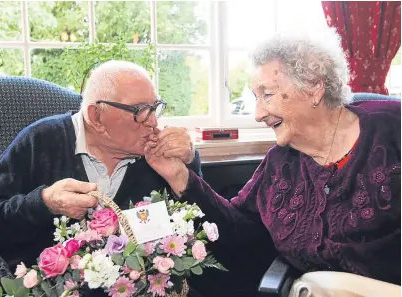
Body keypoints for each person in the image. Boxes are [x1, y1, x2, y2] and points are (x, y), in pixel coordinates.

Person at [144, 27, 401, 287]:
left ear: (314, 88)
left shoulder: (392, 129)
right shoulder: (280, 165)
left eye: (267, 95)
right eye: (255, 97)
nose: (258, 114)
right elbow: (238, 230)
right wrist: (181, 176)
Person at [0, 61, 201, 274]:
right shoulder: (39, 142)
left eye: (155, 108)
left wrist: (188, 164)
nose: (153, 122)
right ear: (97, 116)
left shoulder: (158, 153)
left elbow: (198, 224)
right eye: (140, 111)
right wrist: (43, 203)